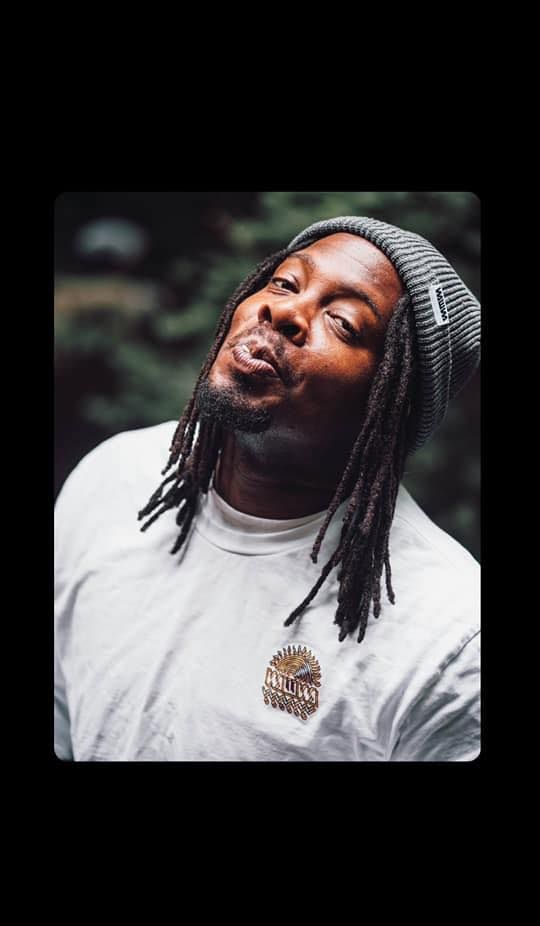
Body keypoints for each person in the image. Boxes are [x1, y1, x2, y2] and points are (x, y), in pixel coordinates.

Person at [54, 214, 481, 762]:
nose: (284, 312)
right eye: (284, 283)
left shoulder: (449, 637)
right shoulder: (113, 477)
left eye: (344, 322)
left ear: (390, 409)